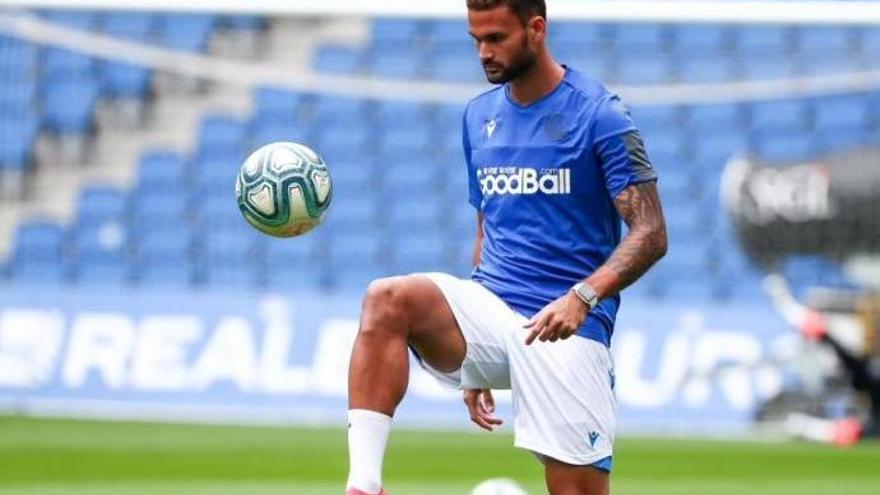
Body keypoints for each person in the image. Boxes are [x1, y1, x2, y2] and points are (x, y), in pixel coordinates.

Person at [345, 1, 667, 493]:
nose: (483, 53)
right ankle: (364, 485)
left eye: (495, 38)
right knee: (387, 298)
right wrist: (474, 353)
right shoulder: (478, 116)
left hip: (565, 327)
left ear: (536, 29)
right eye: (476, 40)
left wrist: (583, 296)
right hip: (492, 306)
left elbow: (650, 233)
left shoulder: (602, 115)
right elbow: (487, 224)